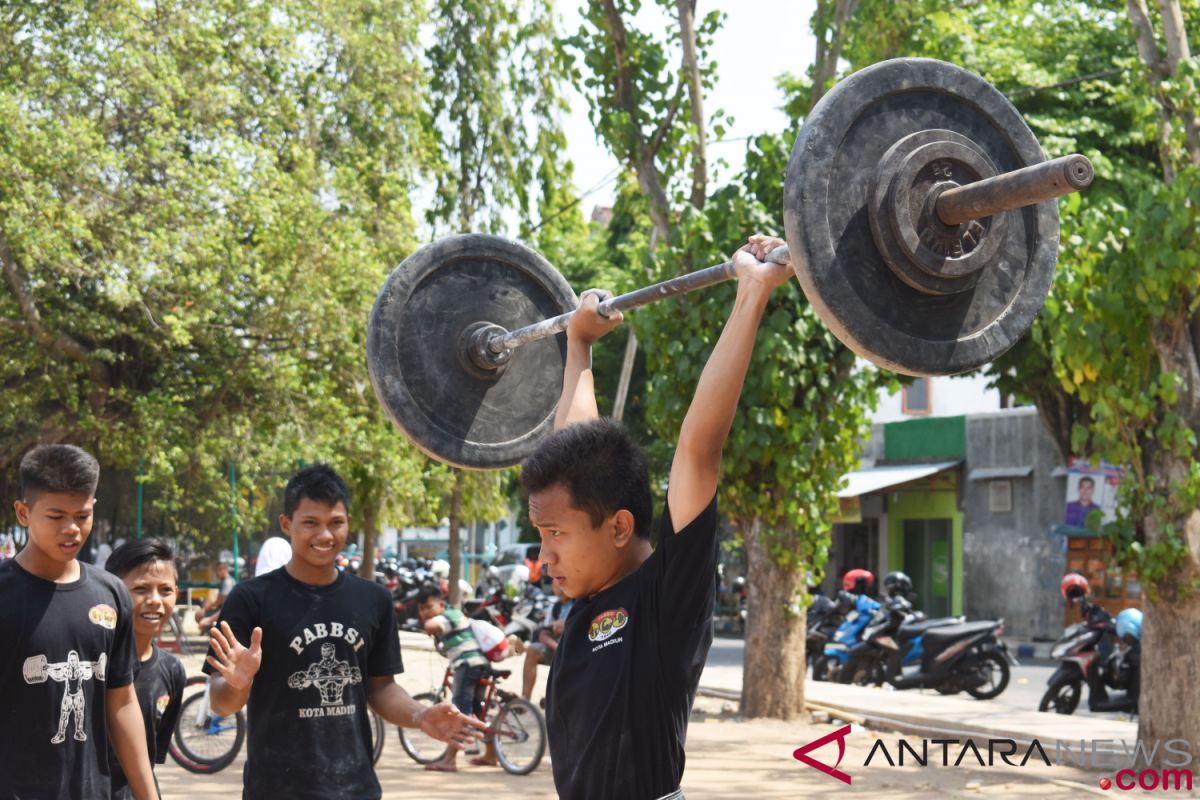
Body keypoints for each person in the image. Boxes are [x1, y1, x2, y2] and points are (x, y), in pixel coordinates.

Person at [523, 234, 792, 799]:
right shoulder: (590, 591)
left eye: (555, 535)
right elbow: (577, 450)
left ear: (620, 527)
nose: (545, 557)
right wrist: (578, 344)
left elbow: (699, 448)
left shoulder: (665, 596)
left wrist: (752, 292)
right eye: (542, 535)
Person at [202, 464, 483, 800]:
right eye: (310, 523)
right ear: (286, 524)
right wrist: (239, 683)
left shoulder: (373, 600)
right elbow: (221, 703)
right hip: (275, 790)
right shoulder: (250, 600)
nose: (325, 535)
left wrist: (420, 715)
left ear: (348, 523)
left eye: (335, 523)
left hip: (356, 789)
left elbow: (381, 688)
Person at [0, 444, 157, 799]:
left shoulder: (111, 594)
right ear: (23, 513)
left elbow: (122, 702)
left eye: (82, 515)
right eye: (56, 516)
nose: (71, 528)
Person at [105, 538, 187, 800]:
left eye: (165, 590)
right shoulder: (94, 664)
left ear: (177, 594)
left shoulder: (172, 671)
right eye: (140, 589)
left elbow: (150, 757)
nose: (154, 600)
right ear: (113, 592)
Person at [417, 583, 500, 771]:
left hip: (467, 665)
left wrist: (424, 623)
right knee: (477, 713)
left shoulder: (450, 615)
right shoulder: (449, 616)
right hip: (478, 665)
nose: (425, 612)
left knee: (459, 712)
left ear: (441, 605)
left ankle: (449, 761)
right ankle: (490, 755)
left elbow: (431, 625)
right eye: (421, 609)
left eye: (429, 607)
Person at [522, 582, 572, 700]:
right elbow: (543, 634)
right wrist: (556, 646)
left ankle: (558, 698)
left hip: (573, 647)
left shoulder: (579, 604)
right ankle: (525, 699)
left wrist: (567, 626)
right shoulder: (555, 608)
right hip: (557, 647)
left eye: (560, 582)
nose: (559, 587)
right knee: (532, 650)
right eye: (555, 584)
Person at [194, 558, 235, 634]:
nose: (216, 573)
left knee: (200, 615)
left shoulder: (227, 582)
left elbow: (220, 600)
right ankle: (209, 631)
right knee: (201, 613)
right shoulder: (224, 581)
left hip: (226, 612)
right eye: (216, 570)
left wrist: (205, 609)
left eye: (218, 570)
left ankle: (210, 630)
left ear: (225, 570)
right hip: (222, 610)